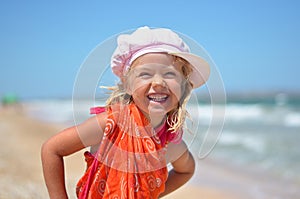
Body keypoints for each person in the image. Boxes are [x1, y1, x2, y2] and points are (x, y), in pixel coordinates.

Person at [41, 26, 210, 199]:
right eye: (145, 74)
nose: (158, 82)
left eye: (169, 74)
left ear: (182, 86)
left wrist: (153, 194)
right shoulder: (110, 124)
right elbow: (51, 149)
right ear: (128, 85)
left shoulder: (170, 141)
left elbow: (186, 170)